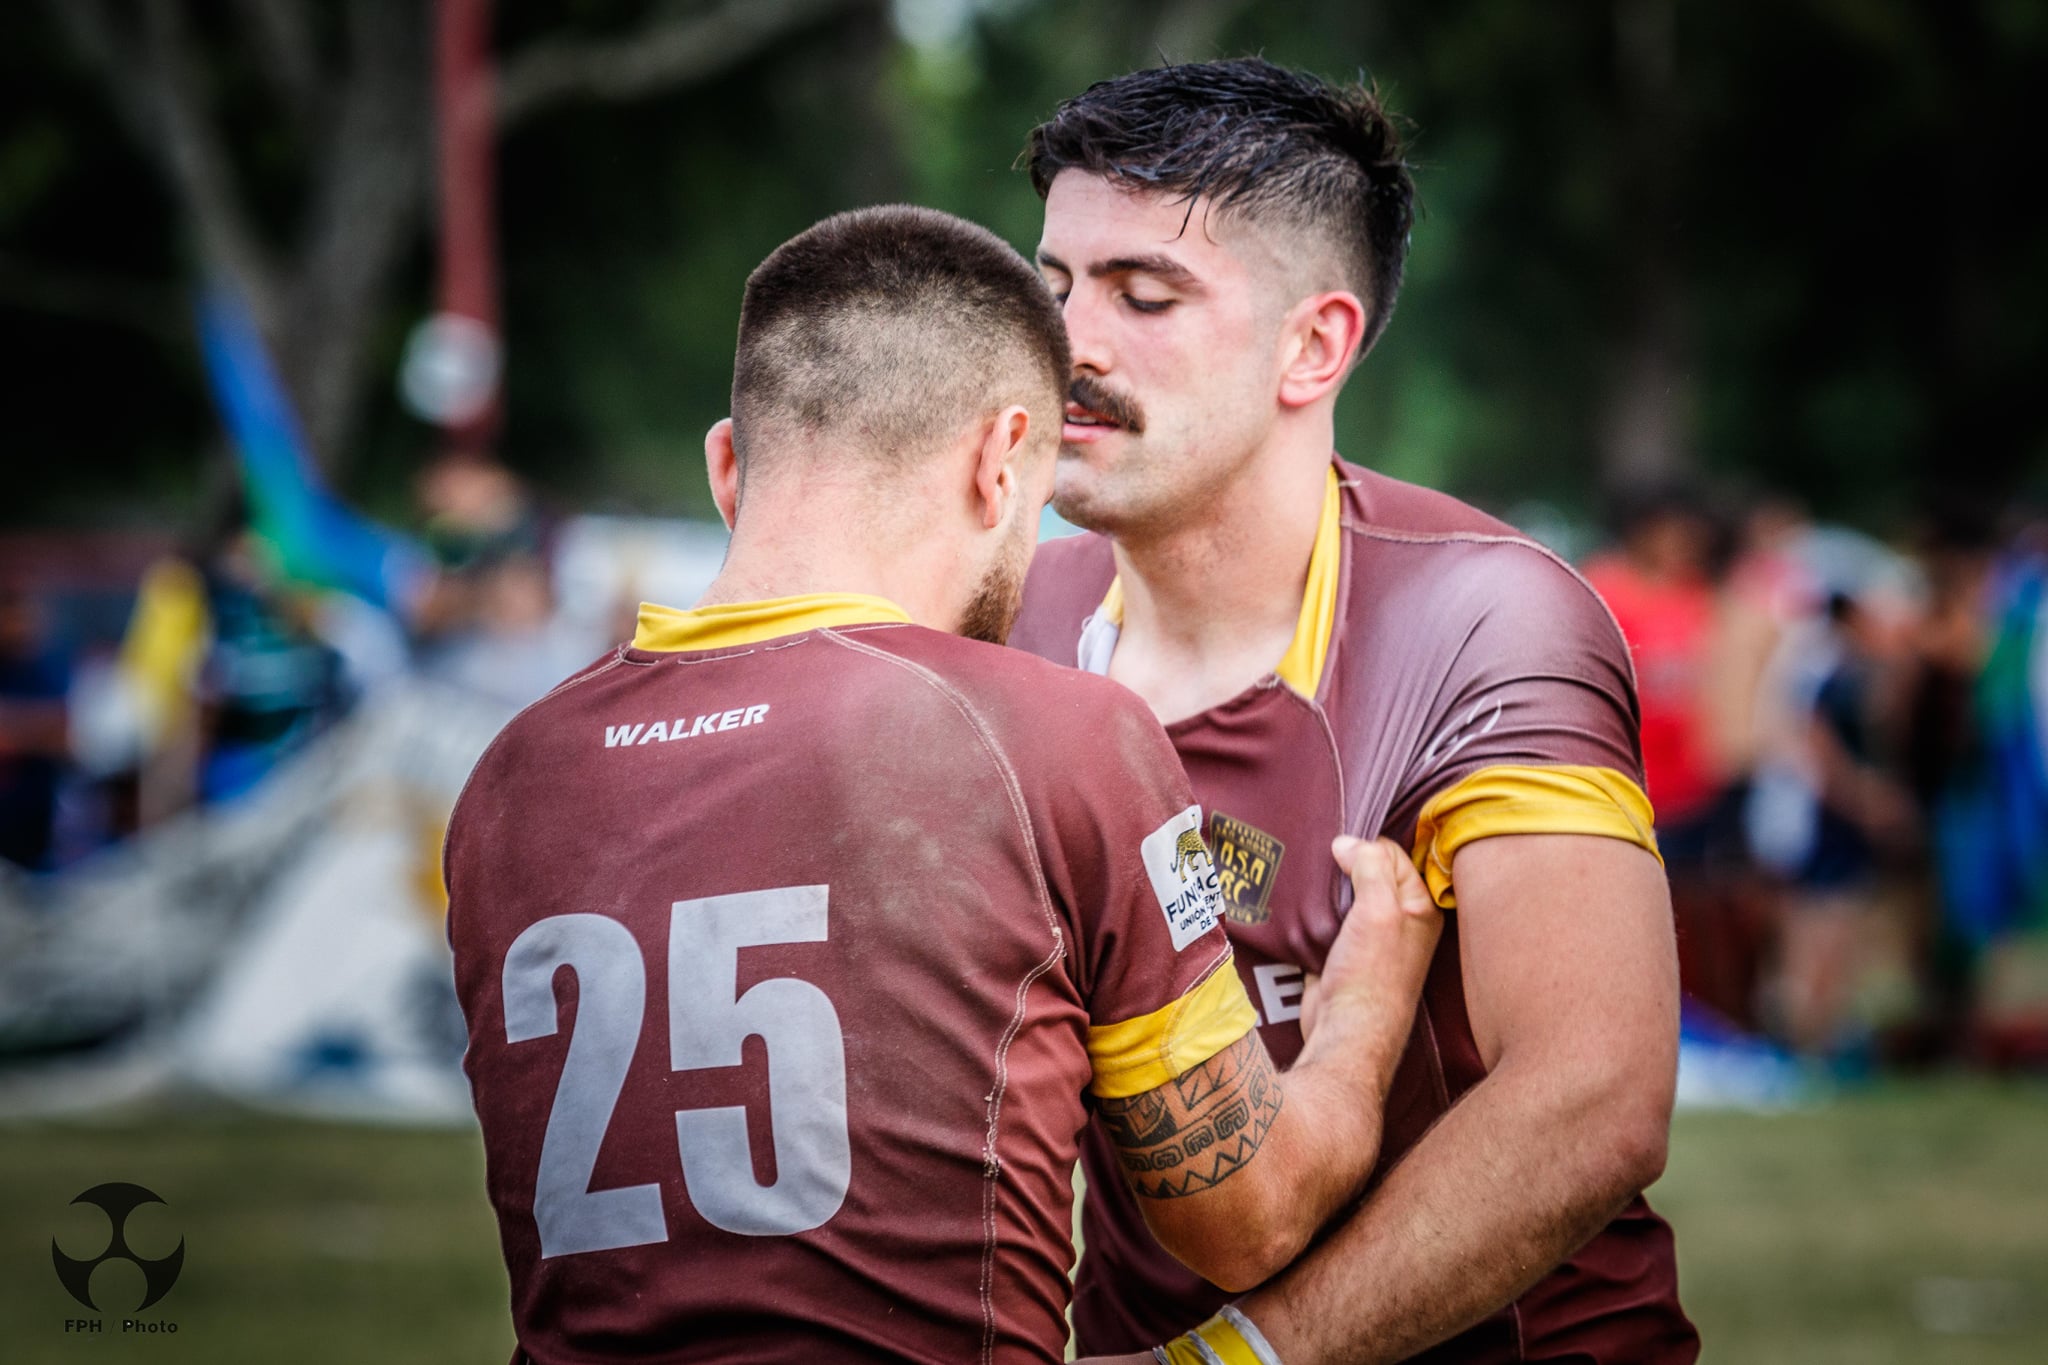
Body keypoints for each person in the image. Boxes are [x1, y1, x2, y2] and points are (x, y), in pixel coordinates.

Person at [445, 205, 1443, 1364]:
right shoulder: (1055, 733)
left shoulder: (512, 775)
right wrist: (1363, 1014)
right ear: (998, 458)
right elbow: (1246, 1217)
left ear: (727, 466)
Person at [1009, 60, 1697, 1362]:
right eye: (1050, 287)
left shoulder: (1489, 618)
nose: (1069, 346)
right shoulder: (1005, 623)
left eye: (1143, 295)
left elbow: (1595, 1097)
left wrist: (1237, 1358)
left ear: (1312, 345)